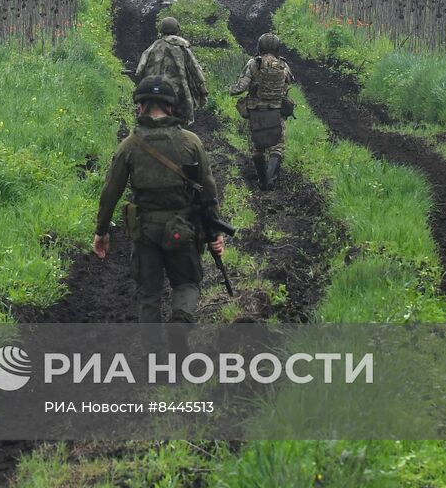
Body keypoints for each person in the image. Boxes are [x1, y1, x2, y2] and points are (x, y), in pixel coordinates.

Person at [94, 76, 226, 324]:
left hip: (145, 231)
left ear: (140, 106)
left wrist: (101, 232)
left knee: (149, 295)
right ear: (170, 106)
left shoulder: (129, 146)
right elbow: (208, 190)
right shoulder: (191, 142)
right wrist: (215, 232)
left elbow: (110, 193)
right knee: (186, 284)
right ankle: (180, 320)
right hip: (183, 228)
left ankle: (152, 357)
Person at [229, 32, 296, 190]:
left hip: (256, 111)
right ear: (277, 48)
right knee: (278, 146)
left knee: (257, 146)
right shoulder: (283, 65)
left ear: (260, 46)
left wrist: (231, 89)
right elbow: (290, 80)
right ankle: (269, 178)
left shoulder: (253, 63)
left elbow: (241, 87)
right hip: (277, 110)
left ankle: (262, 179)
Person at [134, 15, 208, 126]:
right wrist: (202, 91)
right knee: (179, 123)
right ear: (177, 29)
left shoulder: (154, 47)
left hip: (154, 91)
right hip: (178, 94)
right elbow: (195, 71)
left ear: (162, 30)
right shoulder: (183, 47)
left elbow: (140, 70)